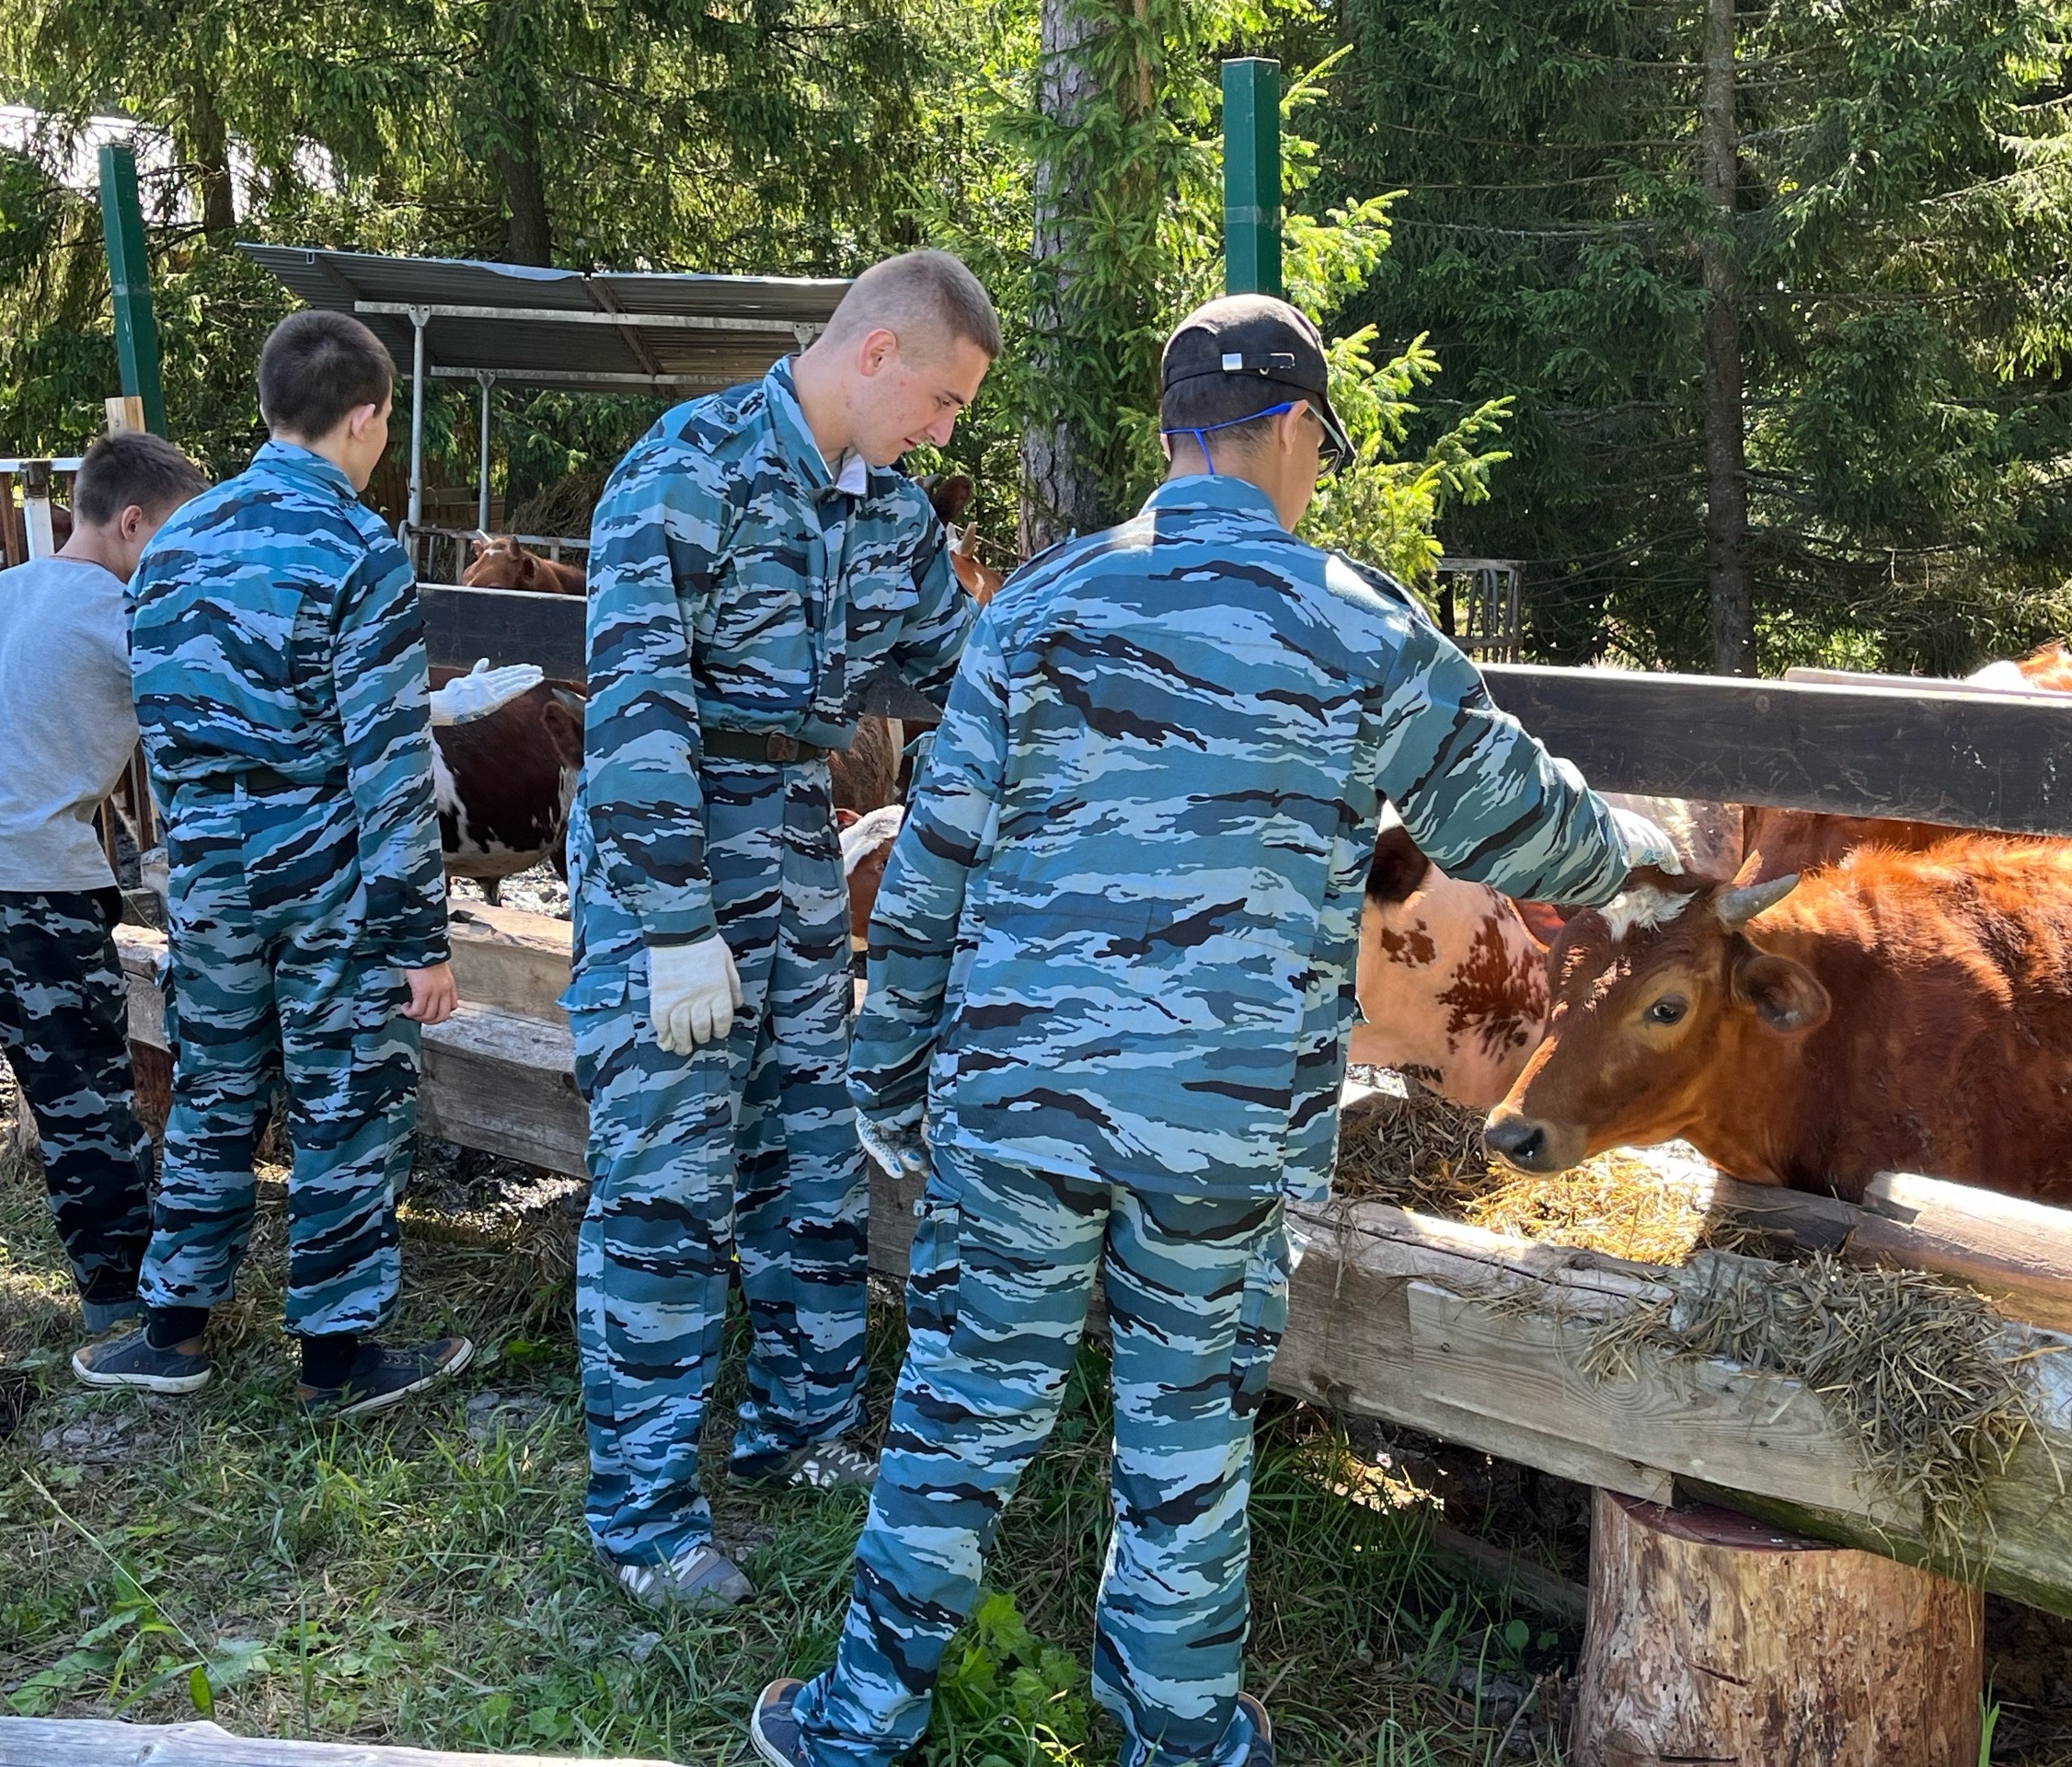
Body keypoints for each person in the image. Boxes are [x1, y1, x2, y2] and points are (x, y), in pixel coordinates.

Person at [749, 295, 1683, 1767]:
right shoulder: (1357, 617)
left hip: (1017, 1102)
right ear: (1297, 428)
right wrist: (1633, 855)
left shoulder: (1038, 607)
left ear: (1174, 434)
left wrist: (890, 1077)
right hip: (1225, 1122)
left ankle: (858, 1722)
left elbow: (930, 869)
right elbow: (1507, 818)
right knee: (1186, 1441)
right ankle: (1178, 1737)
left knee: (959, 1417)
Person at [567, 248, 999, 1609]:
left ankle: (800, 1433)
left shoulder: (893, 518)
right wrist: (671, 921)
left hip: (801, 848)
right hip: (674, 846)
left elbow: (968, 671)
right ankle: (644, 1518)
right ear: (875, 353)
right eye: (940, 401)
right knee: (664, 1184)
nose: (943, 434)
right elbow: (636, 706)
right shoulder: (686, 469)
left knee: (812, 1158)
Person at [74, 309, 475, 1416]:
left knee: (213, 1088)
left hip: (207, 874)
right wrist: (419, 941)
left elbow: (164, 736)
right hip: (327, 879)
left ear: (266, 408)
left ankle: (170, 1334)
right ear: (367, 417)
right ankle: (337, 1361)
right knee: (345, 1099)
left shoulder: (174, 544)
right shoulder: (358, 551)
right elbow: (390, 766)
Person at [0, 433, 210, 1345]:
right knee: (82, 1103)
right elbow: (204, 735)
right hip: (37, 888)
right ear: (132, 523)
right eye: (177, 535)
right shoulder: (129, 615)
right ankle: (121, 1300)